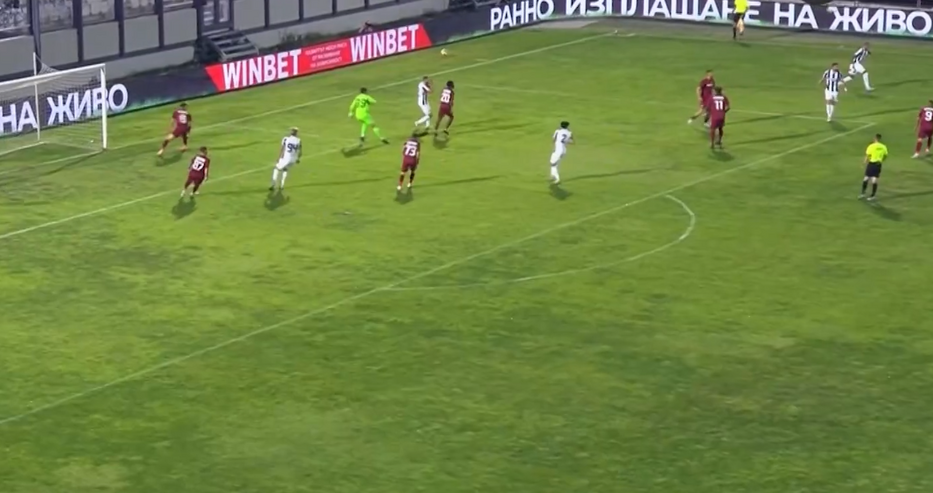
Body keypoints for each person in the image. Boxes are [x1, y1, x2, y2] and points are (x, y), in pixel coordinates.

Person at [860, 133, 888, 201]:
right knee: (874, 180)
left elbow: (867, 155)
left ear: (875, 138)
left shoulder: (871, 146)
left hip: (871, 164)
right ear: (880, 139)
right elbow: (885, 155)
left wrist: (864, 163)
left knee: (866, 178)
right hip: (878, 164)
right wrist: (881, 160)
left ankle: (863, 193)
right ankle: (873, 195)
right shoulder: (883, 146)